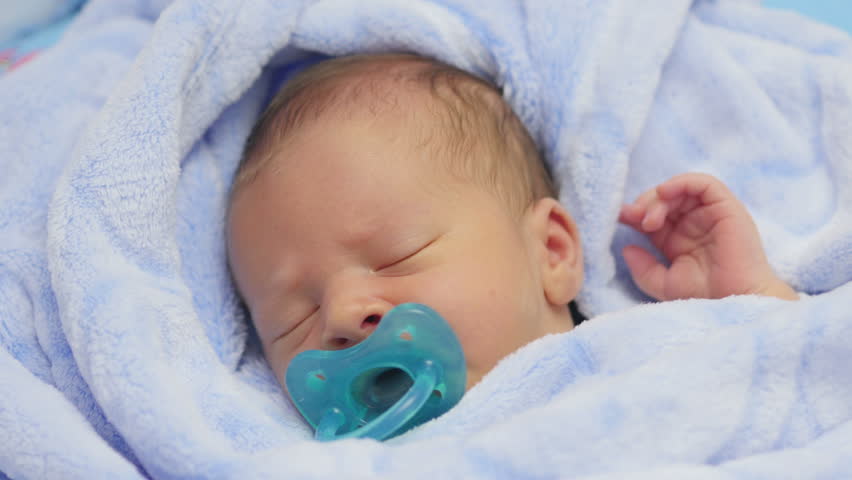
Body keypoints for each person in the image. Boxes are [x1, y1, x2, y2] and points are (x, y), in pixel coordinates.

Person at [226, 53, 798, 392]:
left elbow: (801, 383)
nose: (343, 316)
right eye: (290, 318)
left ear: (550, 252)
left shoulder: (642, 357)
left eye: (396, 255)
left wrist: (752, 301)